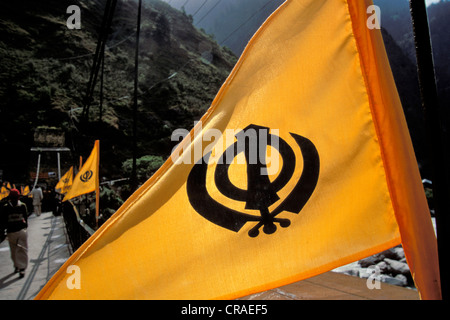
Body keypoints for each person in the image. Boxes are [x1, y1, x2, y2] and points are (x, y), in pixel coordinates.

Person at [0, 189, 28, 278]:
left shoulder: (23, 206)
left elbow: (25, 217)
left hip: (21, 231)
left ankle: (22, 268)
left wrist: (24, 226)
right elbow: (3, 221)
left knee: (22, 249)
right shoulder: (6, 207)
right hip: (11, 232)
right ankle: (17, 265)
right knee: (14, 251)